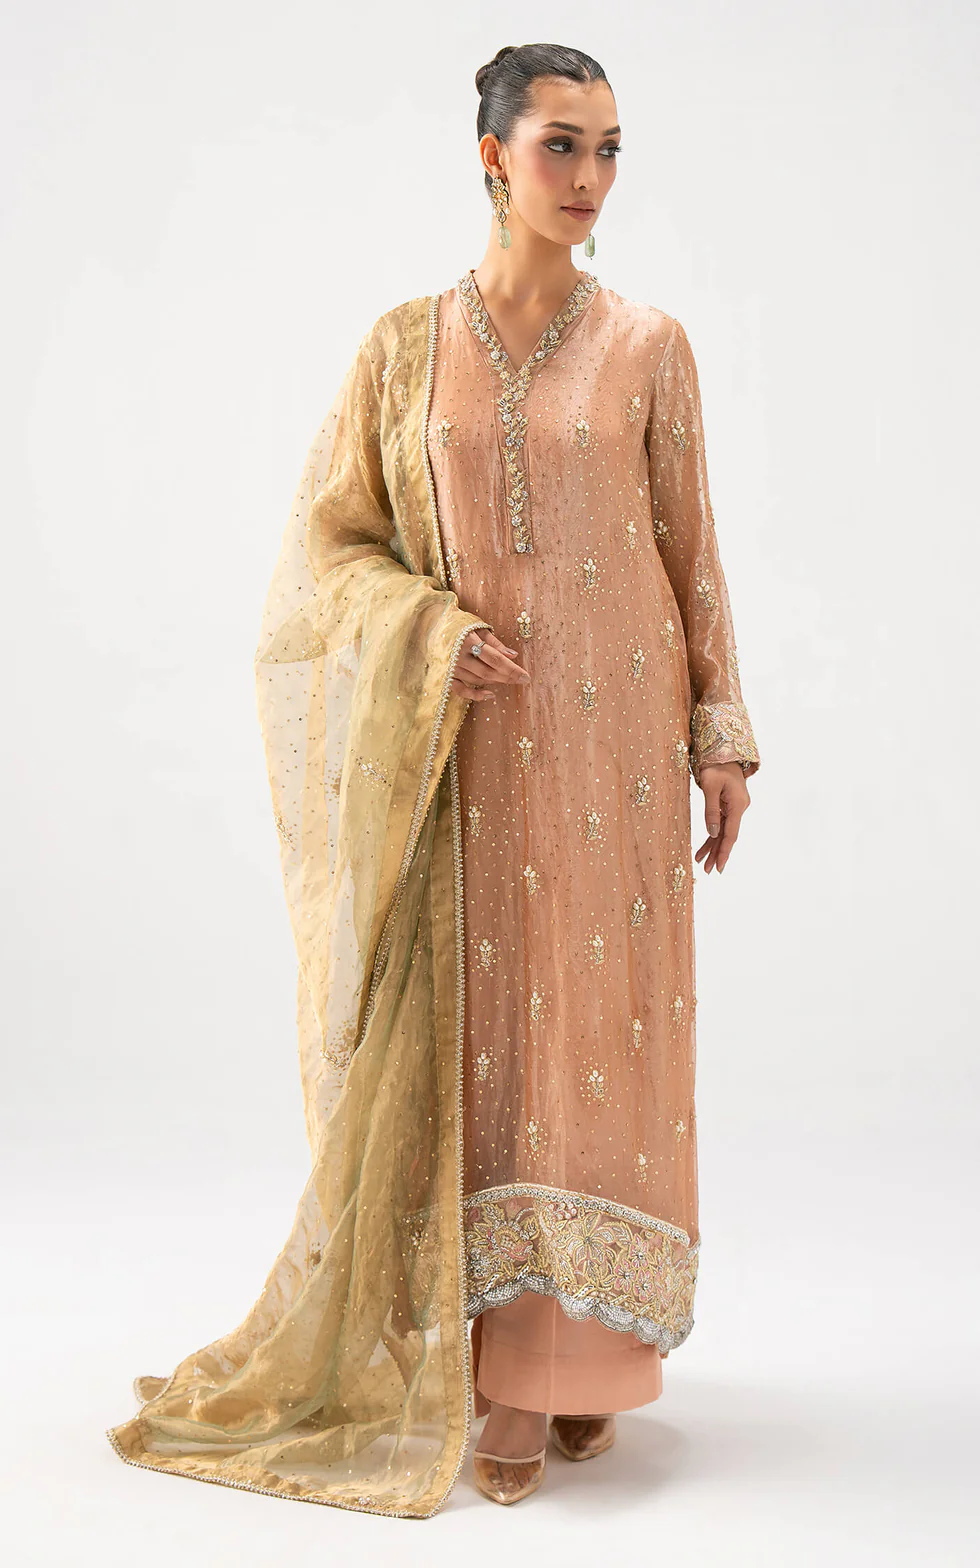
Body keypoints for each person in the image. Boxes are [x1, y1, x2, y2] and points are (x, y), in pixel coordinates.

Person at [107, 41, 760, 1519]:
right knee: (488, 1051)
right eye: (559, 145)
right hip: (461, 760)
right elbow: (326, 552)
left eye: (609, 149)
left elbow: (690, 548)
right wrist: (427, 628)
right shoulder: (404, 349)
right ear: (490, 156)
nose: (588, 177)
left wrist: (718, 733)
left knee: (600, 1041)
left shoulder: (650, 344)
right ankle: (496, 1367)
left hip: (611, 751)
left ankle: (573, 1361)